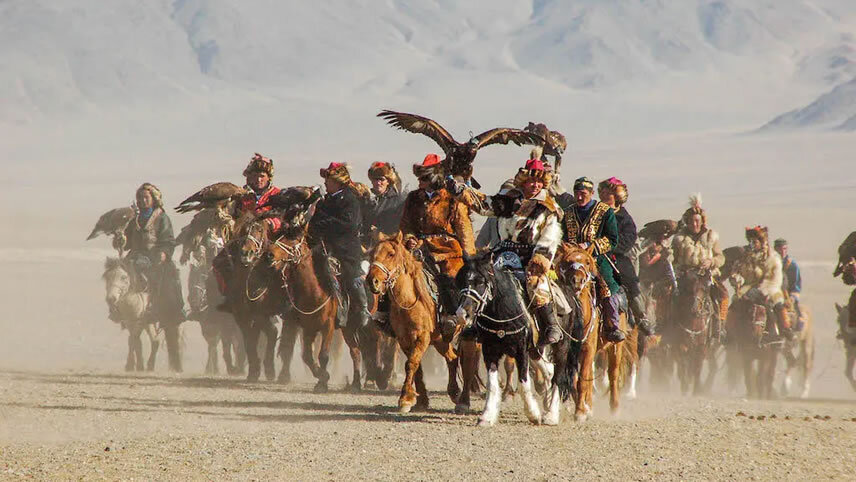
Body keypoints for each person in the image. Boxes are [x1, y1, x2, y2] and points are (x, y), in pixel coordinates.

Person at [452, 158, 564, 345]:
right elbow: (484, 204)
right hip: (503, 254)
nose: (535, 185)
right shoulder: (510, 201)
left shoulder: (548, 207)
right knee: (480, 280)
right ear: (523, 182)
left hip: (532, 256)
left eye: (538, 182)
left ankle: (550, 325)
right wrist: (462, 191)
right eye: (531, 181)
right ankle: (473, 323)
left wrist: (539, 260)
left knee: (537, 286)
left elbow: (550, 237)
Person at [399, 153, 476, 337]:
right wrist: (409, 238)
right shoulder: (413, 198)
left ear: (435, 178)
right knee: (394, 273)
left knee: (447, 278)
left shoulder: (452, 198)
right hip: (417, 248)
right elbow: (406, 225)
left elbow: (464, 228)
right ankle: (387, 314)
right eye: (419, 178)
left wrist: (470, 258)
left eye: (424, 178)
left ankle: (450, 316)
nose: (419, 182)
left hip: (447, 250)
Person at [212, 153, 281, 311]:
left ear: (268, 177)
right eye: (255, 176)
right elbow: (234, 217)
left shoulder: (277, 195)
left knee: (285, 267)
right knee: (219, 262)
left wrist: (271, 223)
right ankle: (230, 296)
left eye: (262, 176)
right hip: (245, 240)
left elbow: (282, 217)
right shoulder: (241, 196)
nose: (258, 180)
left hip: (270, 241)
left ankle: (286, 302)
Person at [561, 177, 625, 342]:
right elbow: (562, 235)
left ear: (590, 194)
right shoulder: (567, 212)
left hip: (596, 259)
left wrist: (590, 245)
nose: (579, 197)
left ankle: (612, 326)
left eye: (583, 193)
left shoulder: (605, 211)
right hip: (571, 259)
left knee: (607, 286)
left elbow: (612, 239)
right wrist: (567, 247)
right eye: (577, 193)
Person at [308, 162, 369, 330]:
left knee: (352, 276)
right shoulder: (324, 201)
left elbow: (349, 225)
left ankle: (363, 309)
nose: (326, 182)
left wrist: (324, 223)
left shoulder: (350, 199)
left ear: (337, 181)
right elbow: (314, 222)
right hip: (325, 248)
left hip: (346, 250)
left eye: (329, 179)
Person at [598, 177, 655, 336]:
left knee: (631, 282)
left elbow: (628, 240)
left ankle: (641, 316)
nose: (603, 195)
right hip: (594, 256)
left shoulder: (625, 219)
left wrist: (606, 246)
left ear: (617, 196)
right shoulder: (594, 213)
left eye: (608, 192)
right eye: (602, 192)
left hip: (616, 258)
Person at [123, 183, 185, 324]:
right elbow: (127, 243)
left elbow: (168, 241)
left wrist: (164, 253)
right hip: (136, 257)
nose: (142, 200)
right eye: (140, 197)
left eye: (146, 197)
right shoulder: (134, 219)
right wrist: (121, 239)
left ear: (153, 199)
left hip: (156, 257)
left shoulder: (162, 218)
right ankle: (118, 310)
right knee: (118, 275)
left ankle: (175, 311)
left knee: (170, 280)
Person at [670, 194, 728, 339]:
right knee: (670, 295)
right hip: (685, 276)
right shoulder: (679, 239)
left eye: (697, 221)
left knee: (722, 294)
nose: (694, 224)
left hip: (706, 275)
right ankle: (667, 327)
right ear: (687, 222)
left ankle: (719, 327)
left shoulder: (711, 236)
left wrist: (711, 262)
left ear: (702, 221)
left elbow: (720, 257)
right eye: (691, 221)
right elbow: (674, 259)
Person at [743, 226, 792, 340]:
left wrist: (763, 289)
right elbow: (741, 273)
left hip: (771, 290)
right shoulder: (746, 257)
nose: (752, 244)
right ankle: (729, 333)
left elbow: (776, 278)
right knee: (736, 305)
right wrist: (737, 280)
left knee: (777, 305)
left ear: (761, 242)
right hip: (749, 289)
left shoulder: (773, 257)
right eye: (750, 241)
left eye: (754, 241)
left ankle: (785, 329)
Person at [365, 162, 407, 238]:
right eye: (375, 179)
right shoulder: (367, 200)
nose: (378, 183)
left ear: (388, 181)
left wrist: (379, 233)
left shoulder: (398, 201)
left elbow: (400, 227)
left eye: (381, 179)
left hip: (389, 245)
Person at [774, 238, 804, 328]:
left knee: (798, 321)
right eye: (780, 249)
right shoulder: (771, 263)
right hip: (772, 294)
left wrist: (792, 297)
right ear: (775, 249)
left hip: (787, 295)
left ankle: (792, 335)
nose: (782, 252)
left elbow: (796, 284)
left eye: (784, 249)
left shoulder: (792, 265)